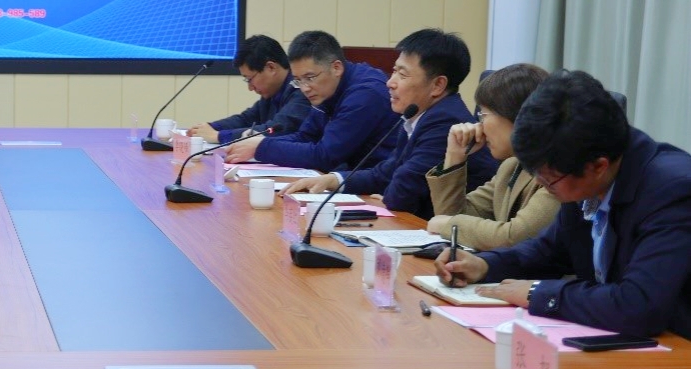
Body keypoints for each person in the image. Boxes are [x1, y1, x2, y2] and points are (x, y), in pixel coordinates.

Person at [436, 71, 691, 338]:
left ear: (598, 167)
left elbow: (639, 305)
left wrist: (538, 293)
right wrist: (484, 265)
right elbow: (549, 250)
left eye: (548, 179)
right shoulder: (579, 168)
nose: (541, 183)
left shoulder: (672, 191)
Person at [284, 29, 498, 219]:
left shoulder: (445, 122)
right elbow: (385, 173)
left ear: (438, 85)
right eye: (394, 71)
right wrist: (333, 180)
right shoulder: (419, 114)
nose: (390, 82)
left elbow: (402, 193)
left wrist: (387, 196)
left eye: (402, 75)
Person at [424, 64, 560, 250]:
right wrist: (454, 156)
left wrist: (450, 225)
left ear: (519, 117)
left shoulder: (557, 170)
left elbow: (514, 237)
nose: (479, 126)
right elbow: (453, 216)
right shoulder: (511, 166)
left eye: (483, 115)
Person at [224, 31, 400, 171]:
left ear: (336, 67)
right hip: (347, 177)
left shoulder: (365, 94)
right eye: (298, 80)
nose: (304, 88)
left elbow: (325, 155)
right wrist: (261, 140)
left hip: (375, 186)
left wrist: (262, 148)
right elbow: (305, 136)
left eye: (310, 77)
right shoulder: (326, 89)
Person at [189, 35, 311, 144]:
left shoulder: (302, 89)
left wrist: (219, 136)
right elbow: (246, 119)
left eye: (249, 79)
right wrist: (211, 127)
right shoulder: (272, 92)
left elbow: (278, 129)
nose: (250, 88)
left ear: (271, 68)